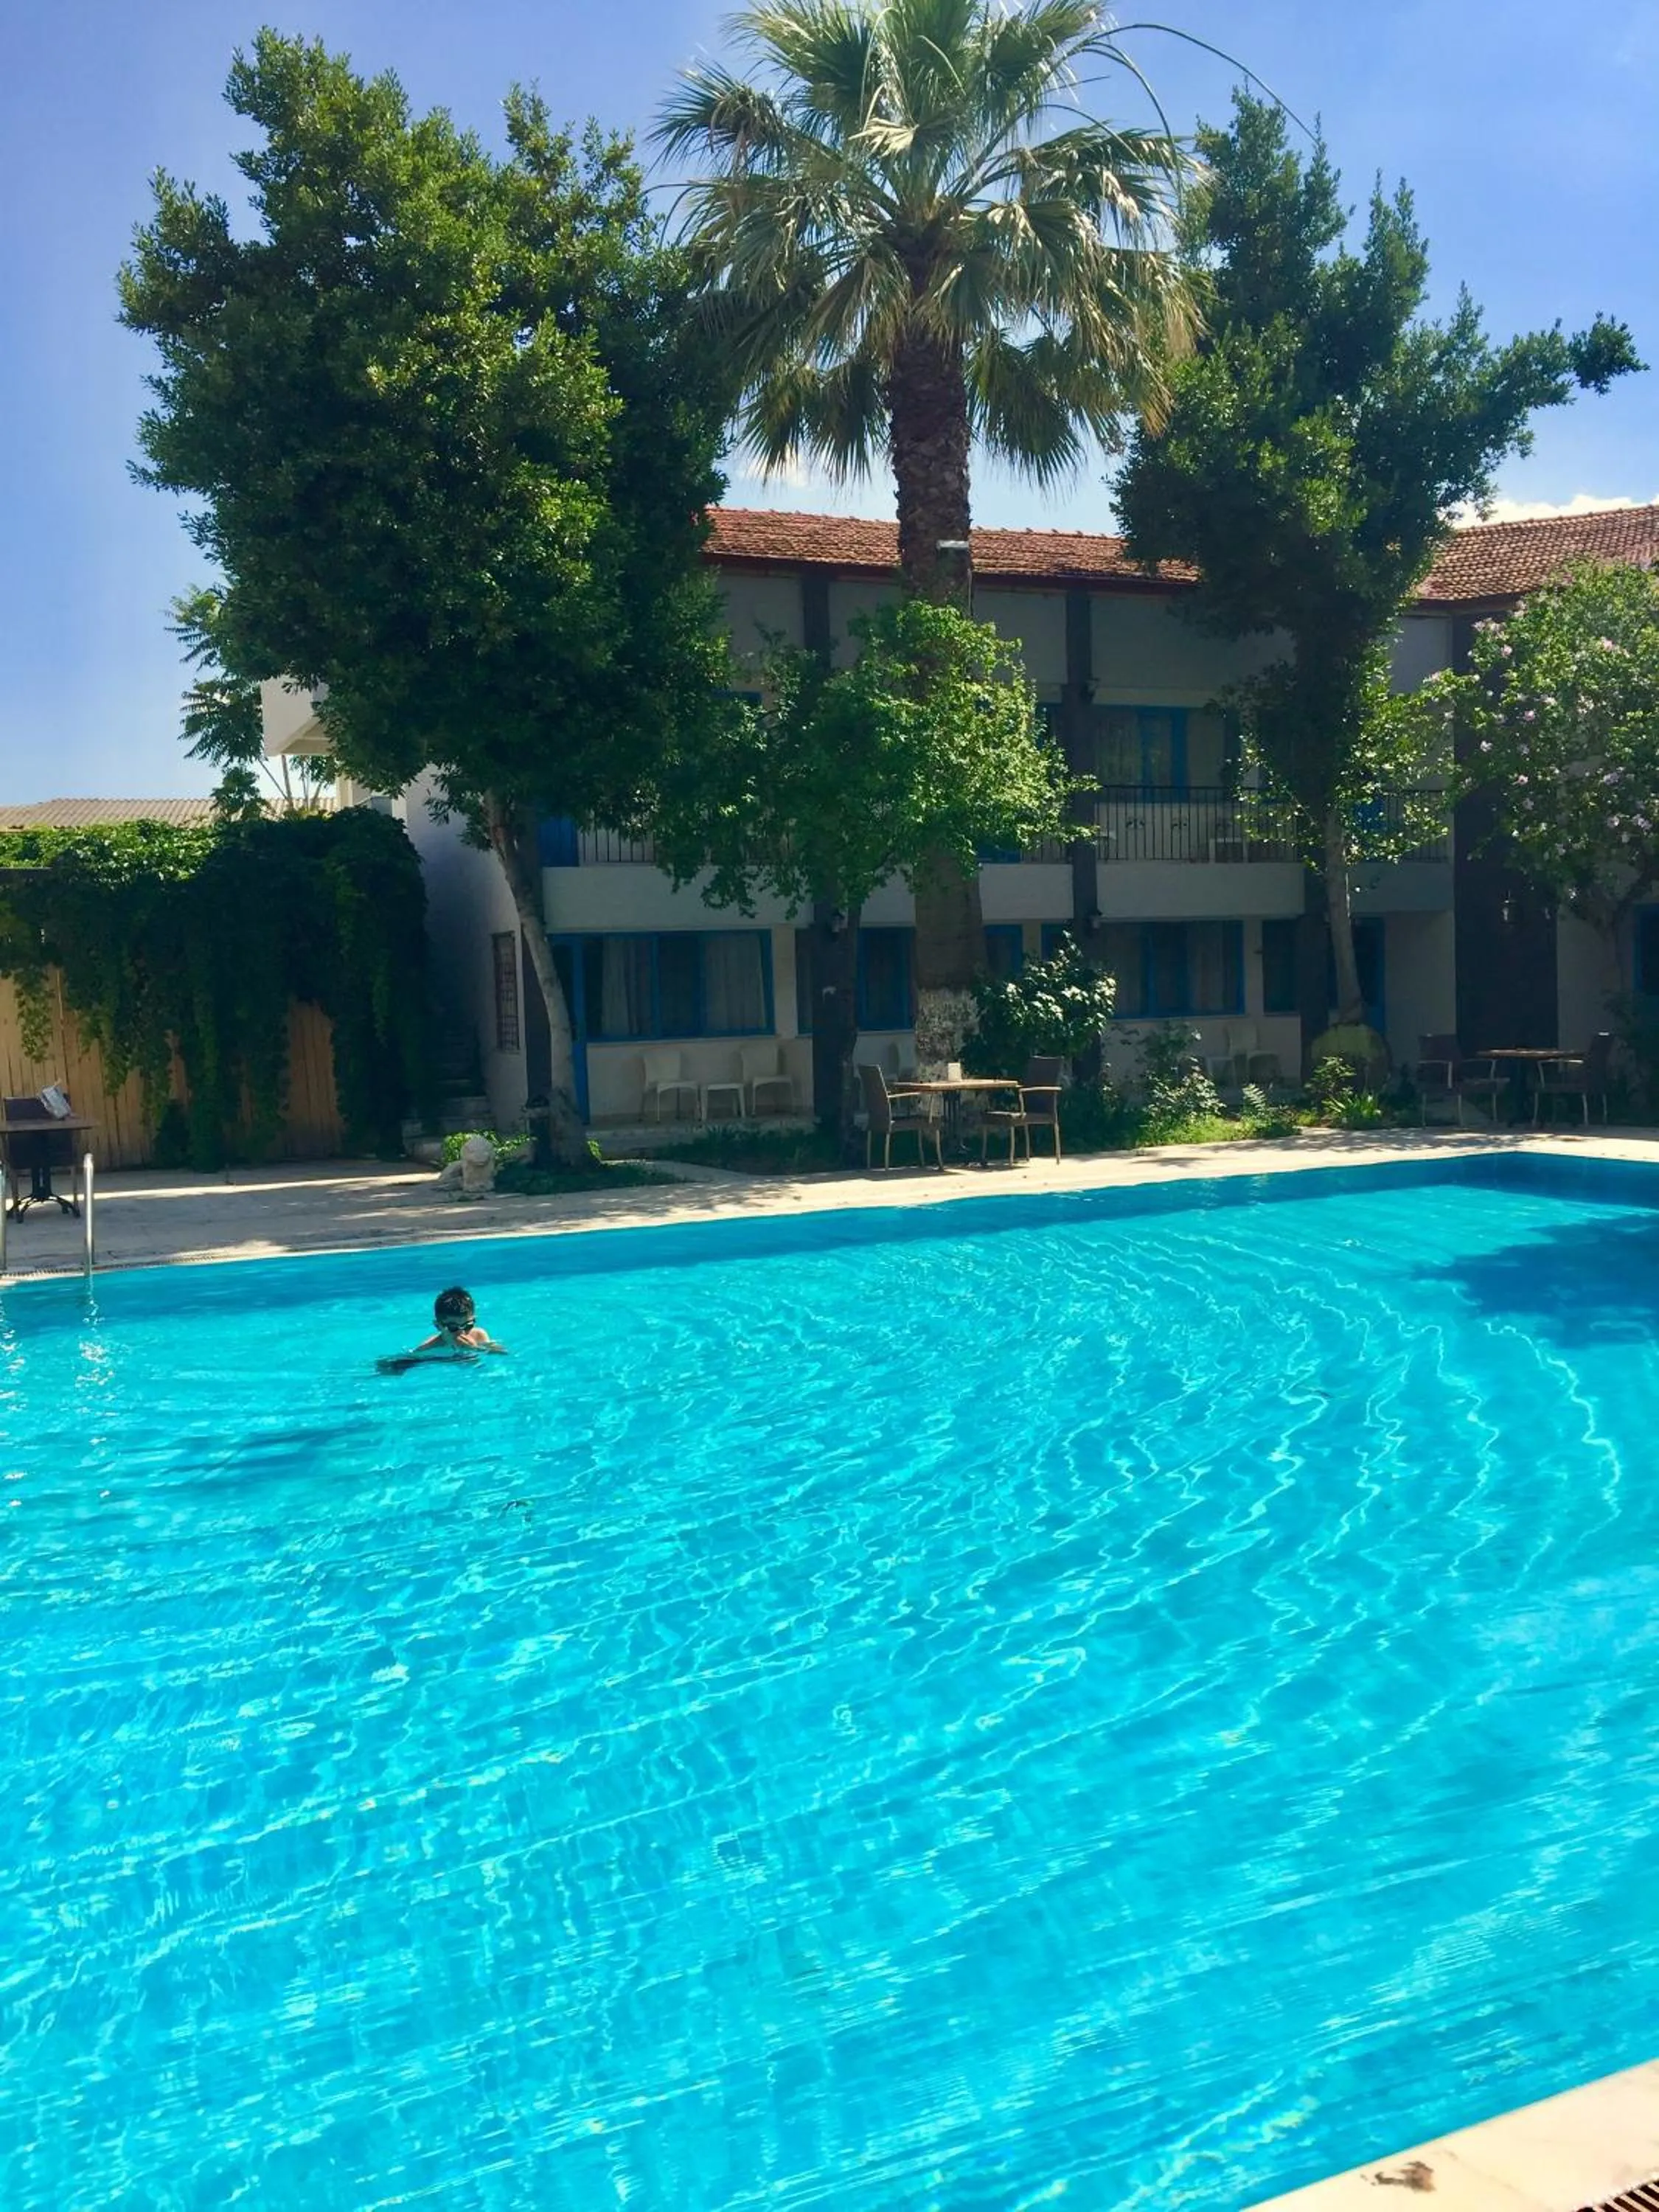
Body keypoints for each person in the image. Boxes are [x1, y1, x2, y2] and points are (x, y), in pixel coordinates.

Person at [377, 1286, 507, 1374]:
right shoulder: (429, 1347)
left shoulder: (479, 1335)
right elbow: (408, 1359)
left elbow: (503, 1353)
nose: (462, 1332)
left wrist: (476, 1348)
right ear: (439, 1326)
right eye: (453, 1328)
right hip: (439, 1360)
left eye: (468, 1326)